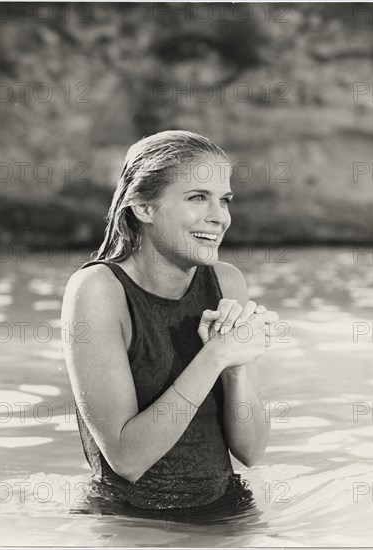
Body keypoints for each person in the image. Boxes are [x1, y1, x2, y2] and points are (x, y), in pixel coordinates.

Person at [61, 130, 279, 514]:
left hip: (230, 516)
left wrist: (235, 369)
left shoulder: (226, 282)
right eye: (198, 197)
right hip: (134, 525)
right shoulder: (98, 291)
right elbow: (127, 460)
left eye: (224, 200)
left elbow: (252, 450)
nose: (219, 217)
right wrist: (213, 357)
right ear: (144, 208)